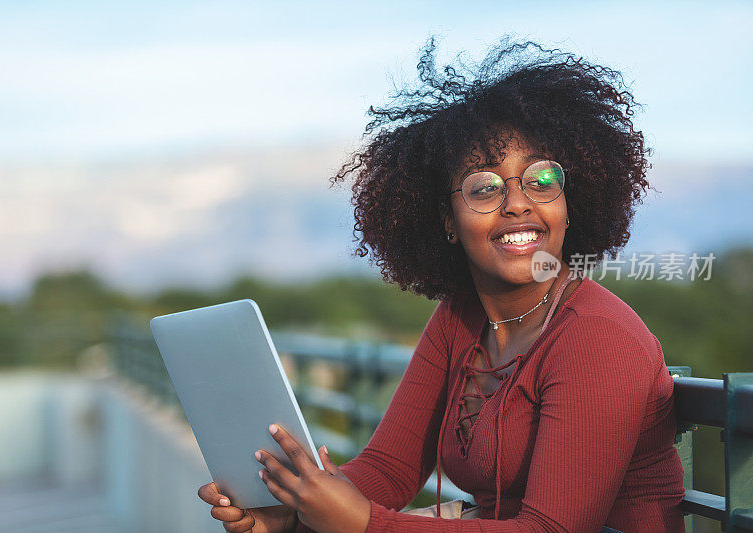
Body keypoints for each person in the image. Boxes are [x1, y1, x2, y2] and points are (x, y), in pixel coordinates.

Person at [198, 38, 685, 532]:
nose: (517, 203)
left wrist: (364, 525)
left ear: (568, 202)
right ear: (446, 219)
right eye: (485, 188)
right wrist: (294, 507)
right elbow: (389, 469)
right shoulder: (461, 318)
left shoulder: (598, 338)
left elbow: (551, 529)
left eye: (540, 180)